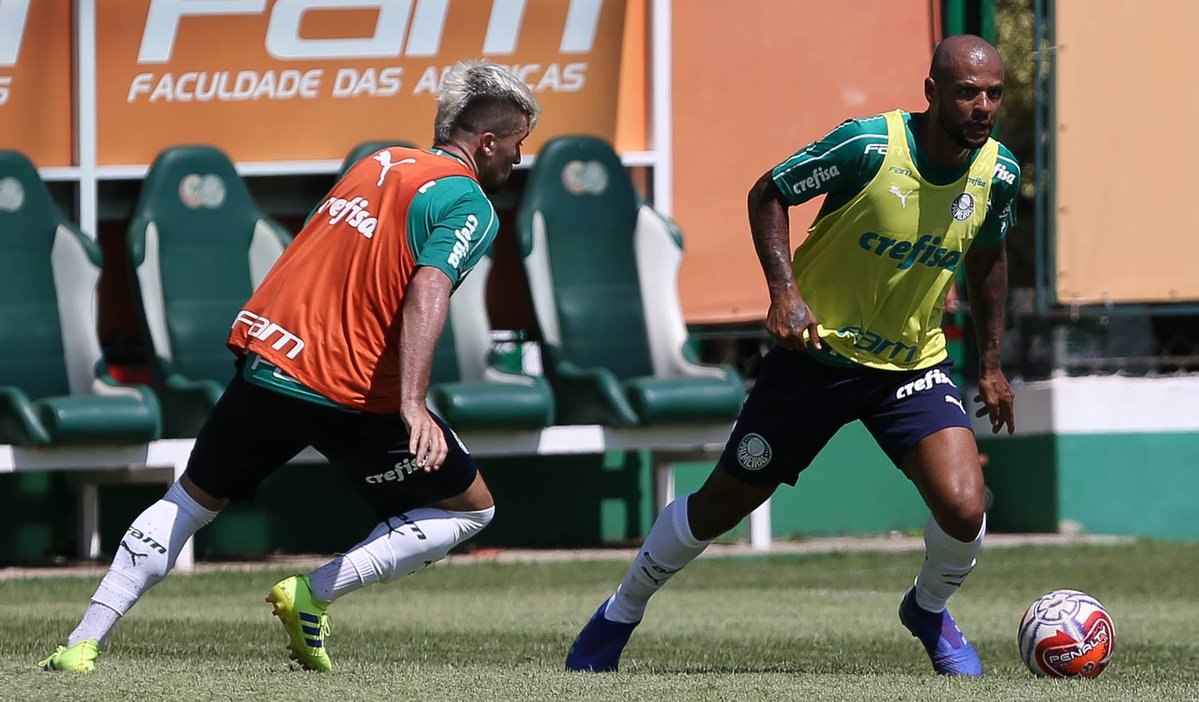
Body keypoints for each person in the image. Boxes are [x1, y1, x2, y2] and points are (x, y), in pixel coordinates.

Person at [40, 59, 541, 674]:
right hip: (352, 388)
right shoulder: (469, 202)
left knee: (191, 500)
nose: (516, 162)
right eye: (517, 147)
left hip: (272, 359)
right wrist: (413, 403)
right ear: (487, 142)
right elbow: (429, 287)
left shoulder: (376, 163)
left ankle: (82, 642)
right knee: (470, 508)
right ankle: (314, 593)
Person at [565, 34, 1018, 677]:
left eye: (993, 94)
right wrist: (784, 293)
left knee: (965, 504)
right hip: (813, 361)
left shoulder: (998, 173)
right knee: (720, 505)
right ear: (932, 92)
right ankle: (620, 610)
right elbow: (768, 193)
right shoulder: (867, 147)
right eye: (967, 92)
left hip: (911, 367)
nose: (981, 106)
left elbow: (989, 258)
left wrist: (992, 364)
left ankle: (929, 609)